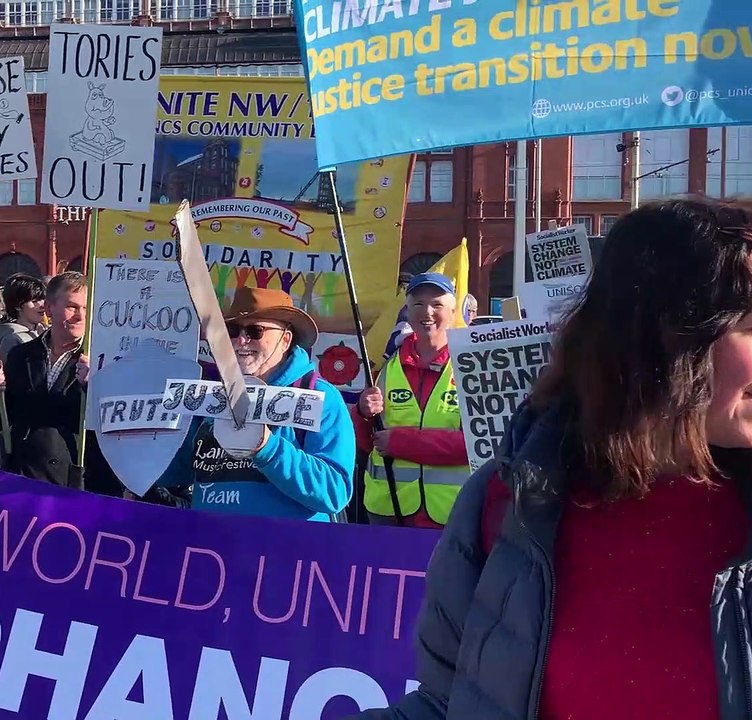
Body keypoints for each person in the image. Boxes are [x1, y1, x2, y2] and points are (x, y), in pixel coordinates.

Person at [361, 198, 752, 720]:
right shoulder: (506, 503)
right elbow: (445, 703)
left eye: (437, 303)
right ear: (660, 336)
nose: (426, 313)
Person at [146, 287, 355, 521]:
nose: (241, 340)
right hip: (213, 549)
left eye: (256, 331)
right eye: (233, 330)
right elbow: (177, 472)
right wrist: (138, 445)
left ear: (286, 339)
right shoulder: (209, 395)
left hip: (286, 552)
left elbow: (334, 492)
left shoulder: (320, 397)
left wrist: (266, 447)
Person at [352, 272, 469, 529]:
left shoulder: (471, 367)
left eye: (437, 304)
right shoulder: (386, 366)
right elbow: (365, 442)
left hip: (451, 514)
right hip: (387, 510)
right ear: (407, 309)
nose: (427, 312)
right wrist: (361, 412)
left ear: (452, 311)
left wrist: (401, 443)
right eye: (418, 303)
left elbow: (477, 446)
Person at [0, 272, 111, 488]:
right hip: (22, 478)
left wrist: (93, 385)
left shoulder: (101, 360)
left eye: (85, 308)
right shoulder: (20, 355)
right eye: (72, 307)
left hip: (73, 481)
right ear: (50, 308)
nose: (80, 316)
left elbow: (110, 426)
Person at [0, 273, 48, 364]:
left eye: (42, 299)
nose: (42, 305)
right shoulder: (11, 339)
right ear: (18, 305)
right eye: (34, 301)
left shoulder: (44, 331)